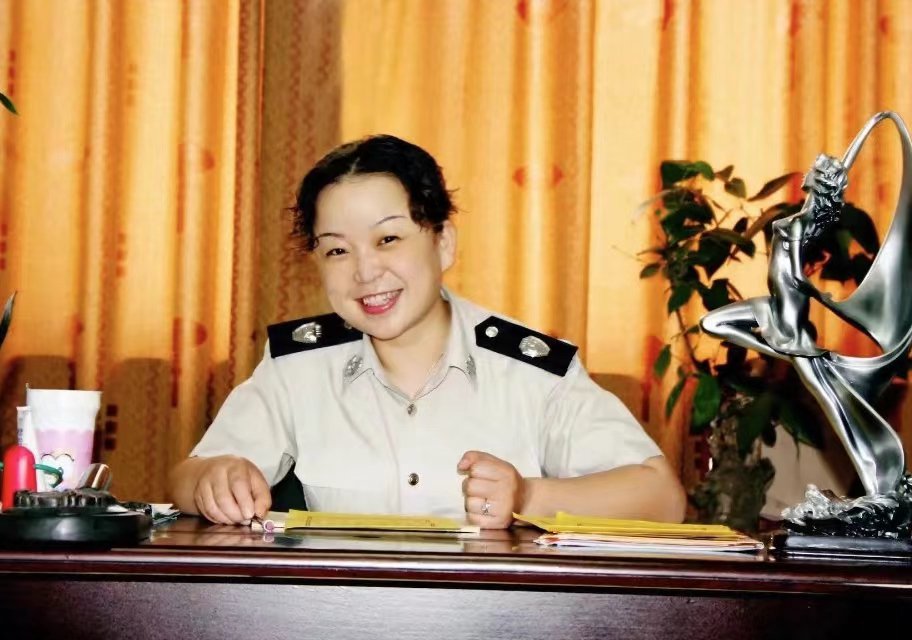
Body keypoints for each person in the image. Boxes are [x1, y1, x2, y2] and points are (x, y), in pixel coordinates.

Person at [168, 134, 686, 527]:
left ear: (443, 244)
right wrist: (213, 479)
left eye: (388, 239)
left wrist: (530, 497)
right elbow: (187, 478)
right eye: (337, 250)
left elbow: (661, 497)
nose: (365, 272)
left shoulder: (528, 368)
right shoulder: (298, 366)